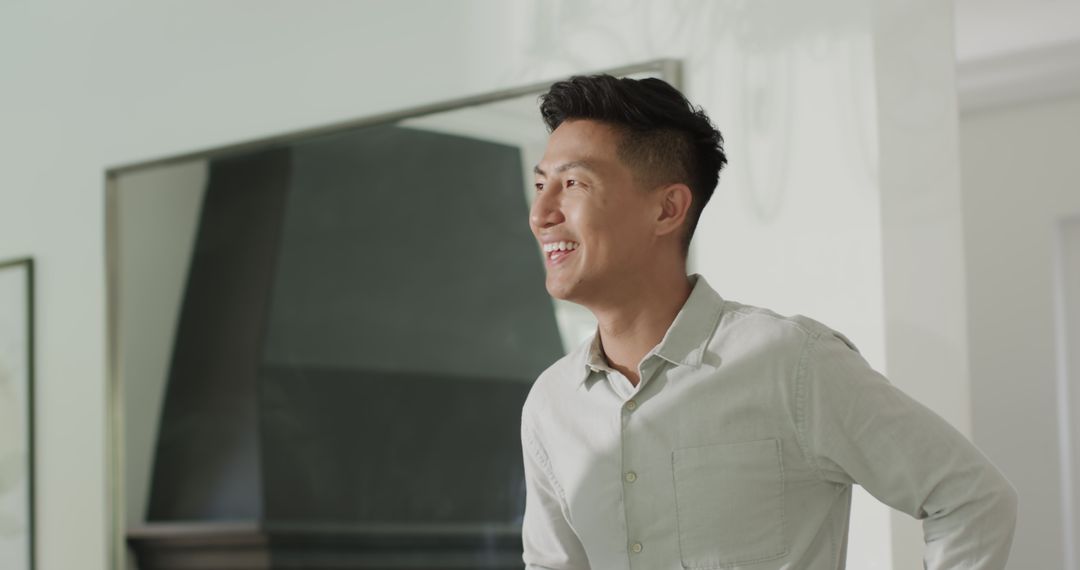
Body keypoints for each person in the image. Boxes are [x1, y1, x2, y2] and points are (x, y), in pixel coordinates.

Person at [520, 73, 1018, 569]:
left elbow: (970, 498)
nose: (540, 213)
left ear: (667, 209)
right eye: (540, 184)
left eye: (573, 183)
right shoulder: (551, 404)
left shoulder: (792, 363)